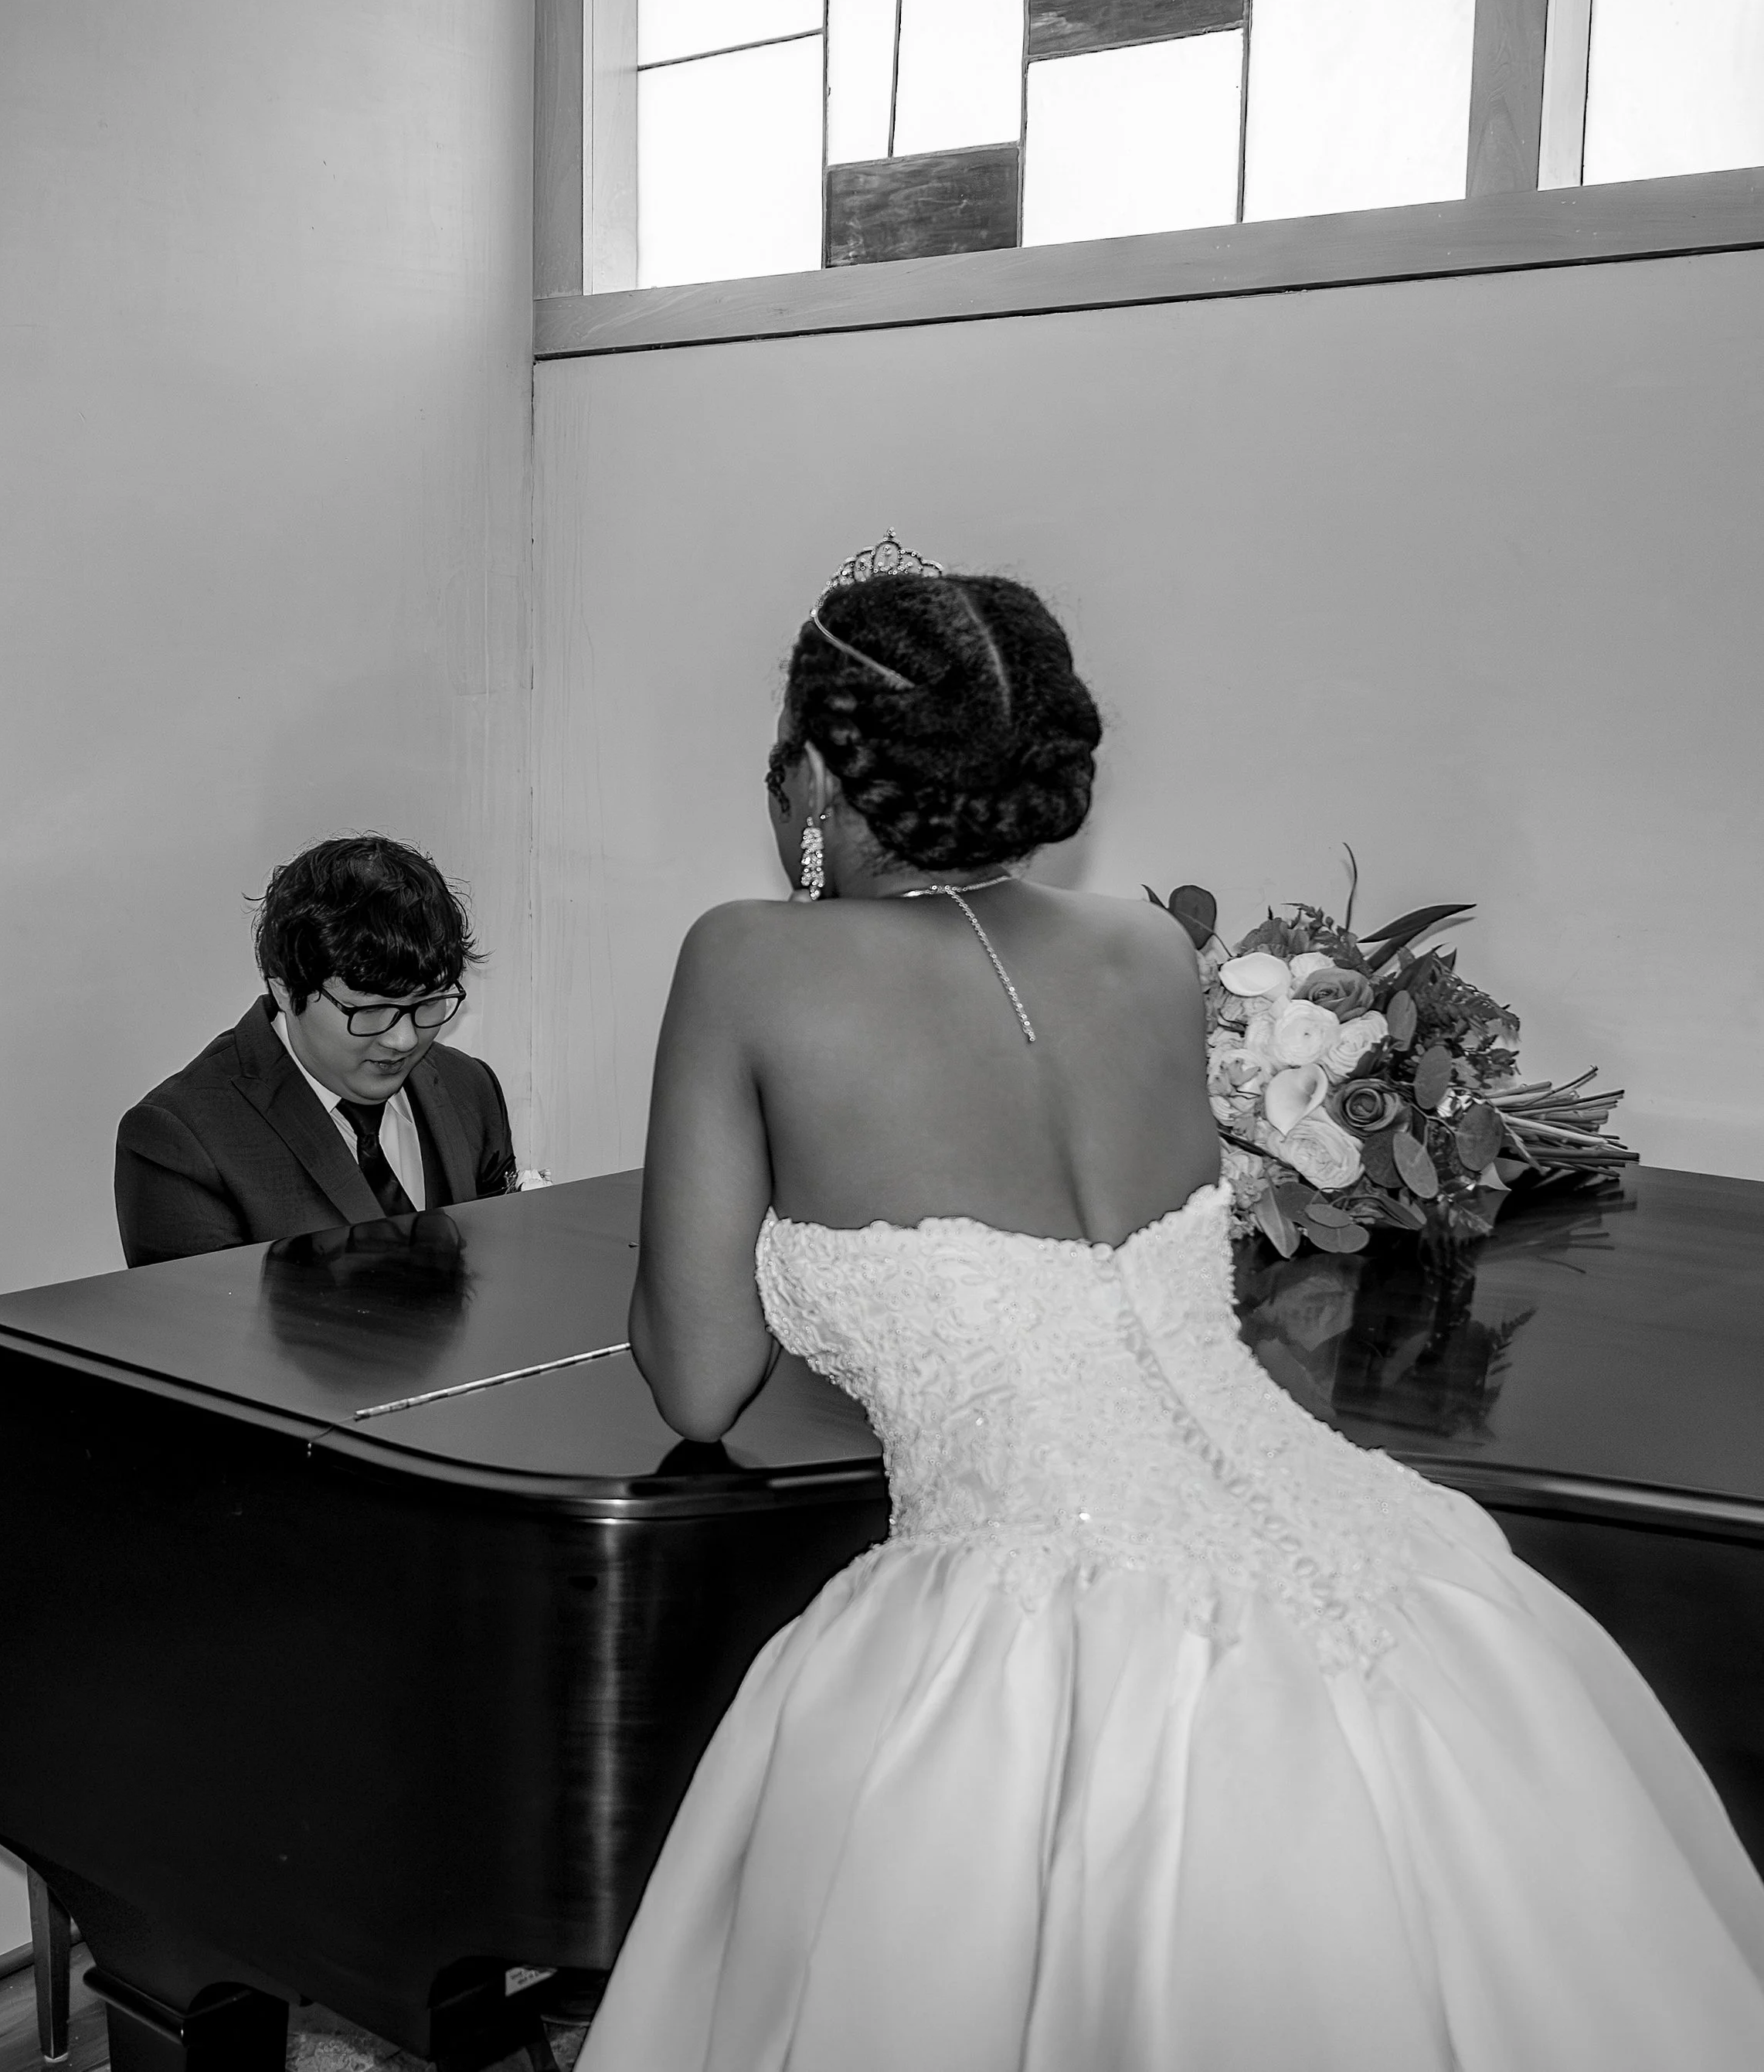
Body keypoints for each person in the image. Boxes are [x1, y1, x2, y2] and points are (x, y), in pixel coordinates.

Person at [576, 546, 1764, 2070]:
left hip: (1033, 1611)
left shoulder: (749, 958)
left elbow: (696, 1379)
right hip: (1376, 1554)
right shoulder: (1143, 950)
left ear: (812, 770)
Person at [115, 835, 515, 1267]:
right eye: (369, 1011)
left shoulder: (470, 1088)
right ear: (286, 989)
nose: (403, 1040)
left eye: (429, 1002)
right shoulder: (180, 1141)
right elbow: (208, 1312)